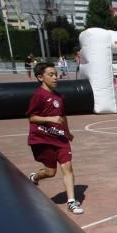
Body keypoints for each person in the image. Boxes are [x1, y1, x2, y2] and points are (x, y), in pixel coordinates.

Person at [25, 61, 84, 215]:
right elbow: (32, 117)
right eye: (50, 75)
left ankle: (71, 201)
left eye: (56, 74)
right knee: (50, 172)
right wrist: (50, 119)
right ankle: (35, 177)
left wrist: (68, 132)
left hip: (60, 139)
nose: (55, 78)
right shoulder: (39, 95)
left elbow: (62, 116)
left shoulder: (59, 96)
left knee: (68, 167)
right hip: (44, 138)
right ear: (40, 77)